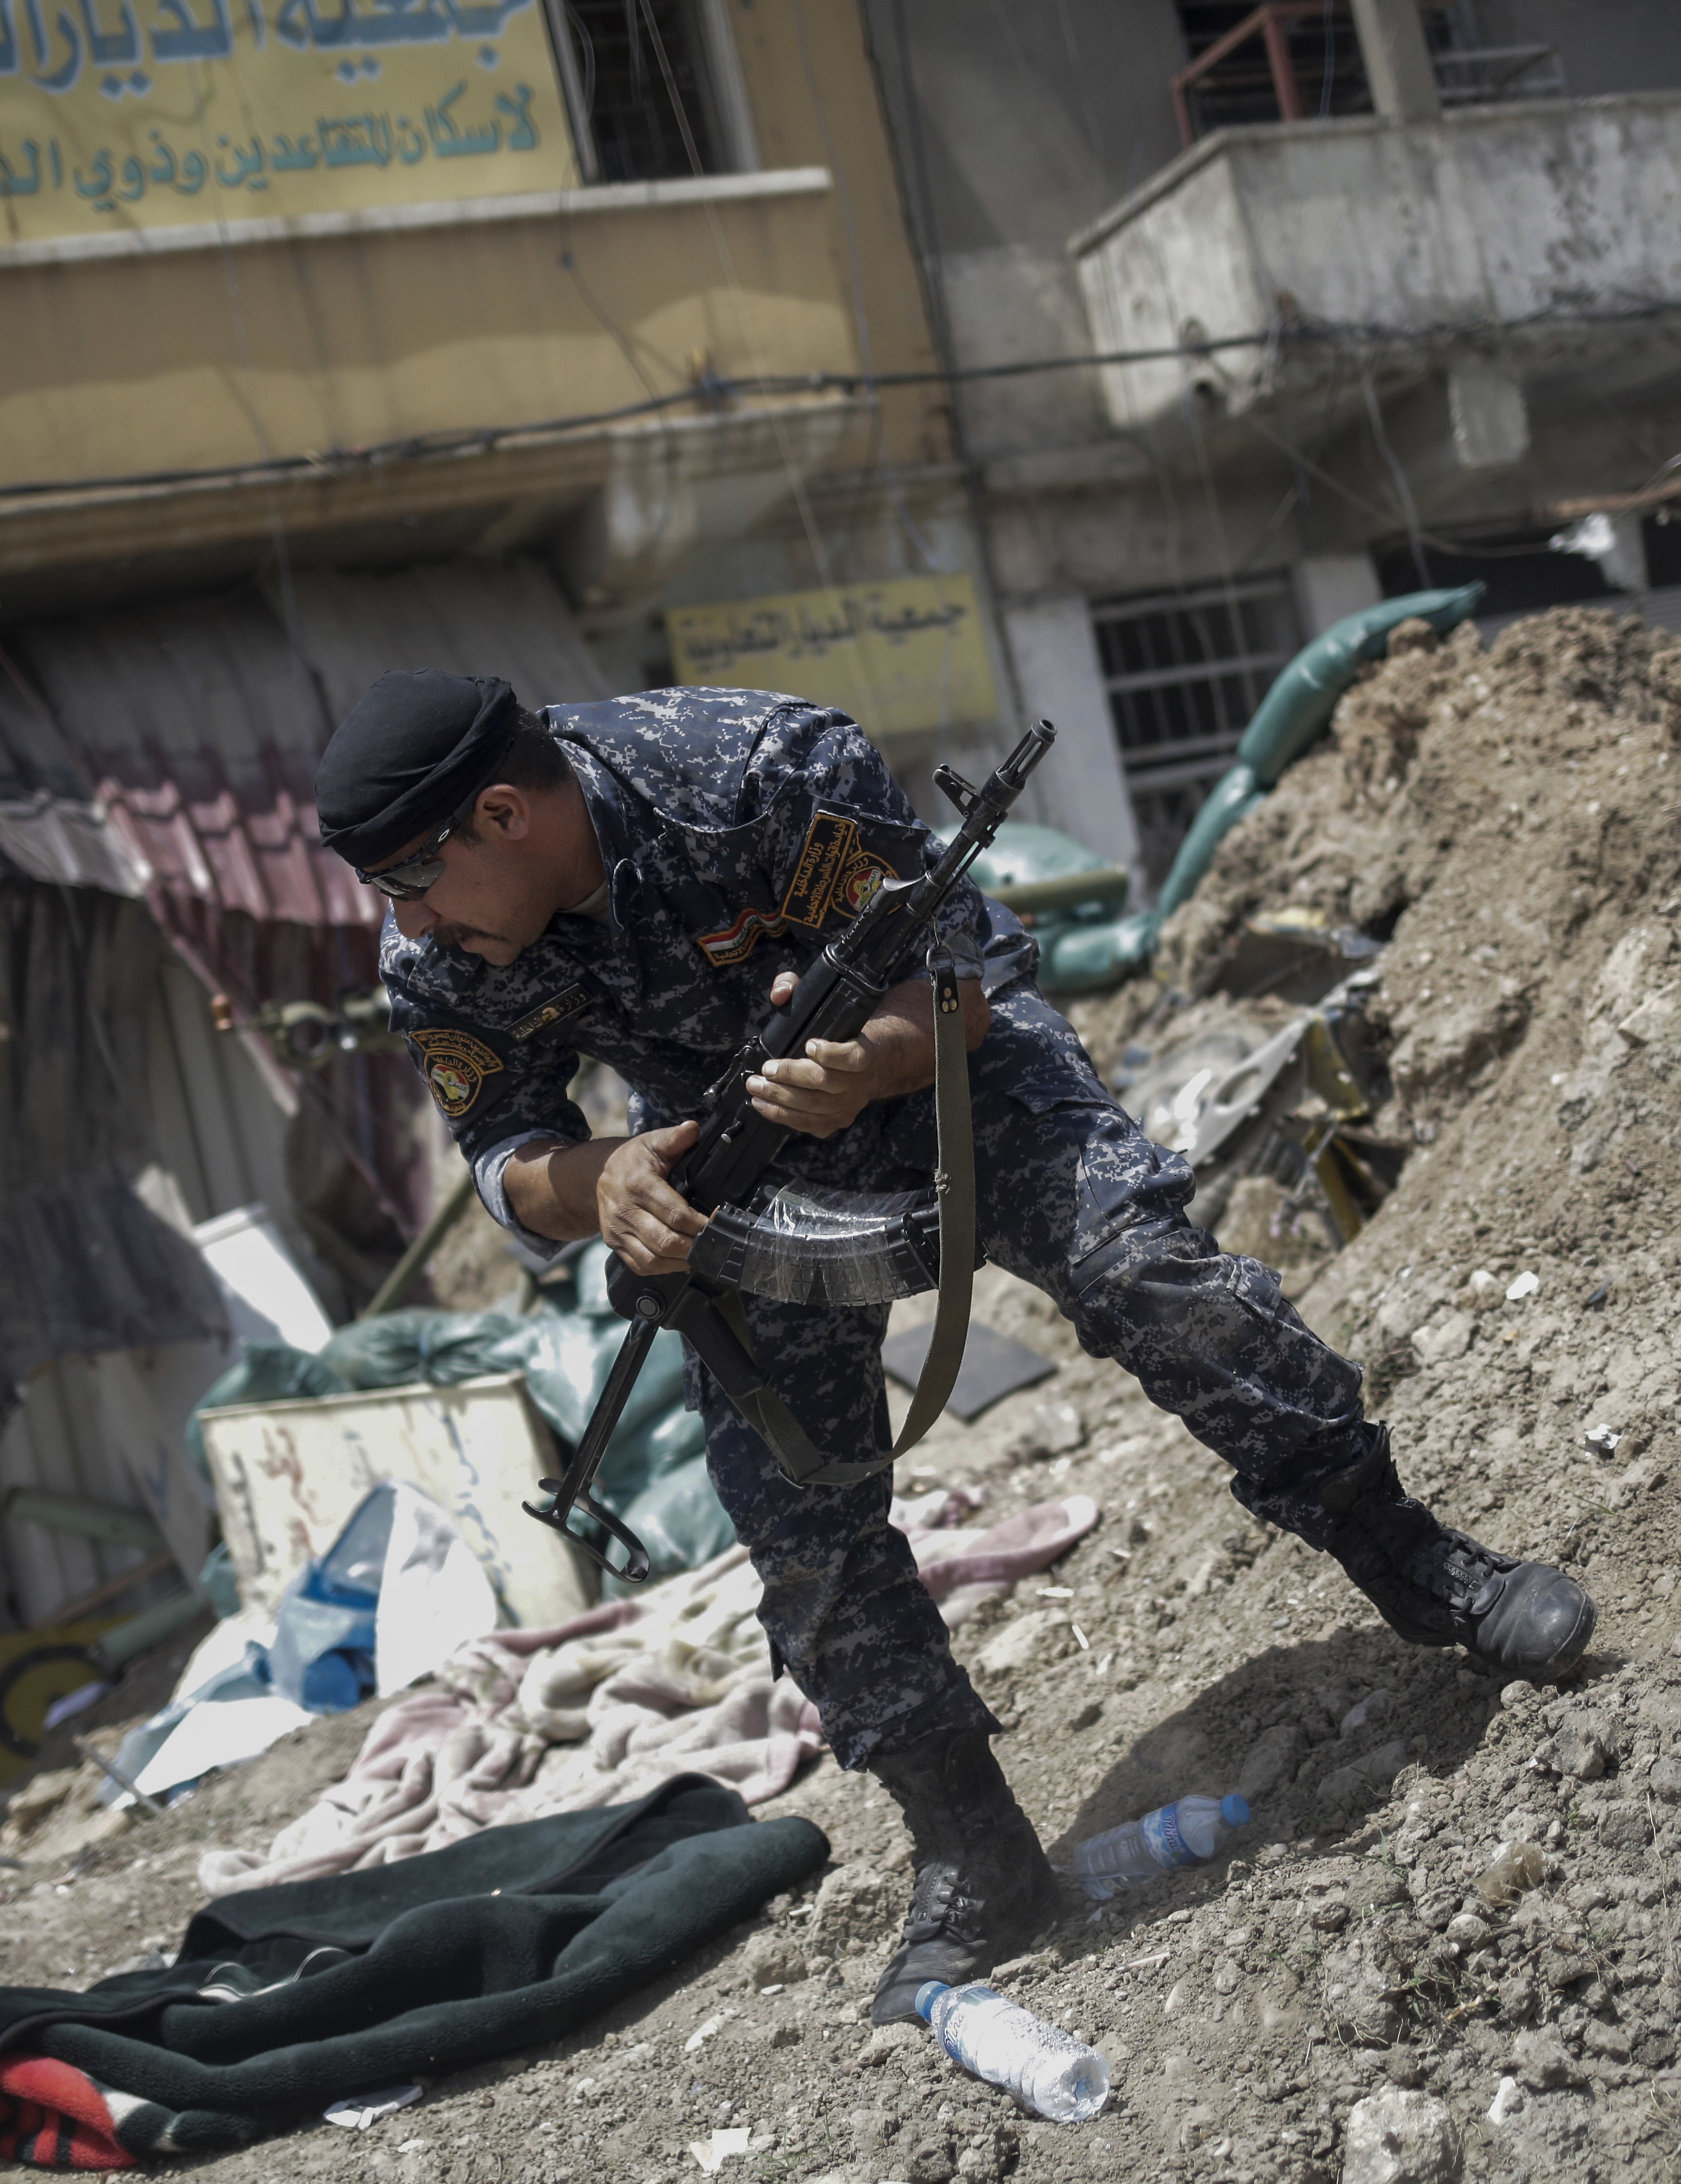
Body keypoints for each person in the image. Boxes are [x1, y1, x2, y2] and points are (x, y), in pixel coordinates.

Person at [318, 671, 1594, 2023]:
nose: (403, 920)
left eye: (411, 880)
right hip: (735, 1170)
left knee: (1156, 1276)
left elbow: (965, 984)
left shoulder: (758, 765)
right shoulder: (438, 953)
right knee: (798, 1531)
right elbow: (502, 1151)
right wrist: (602, 1179)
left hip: (944, 1074)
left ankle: (1417, 1562)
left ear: (501, 815)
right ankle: (974, 1853)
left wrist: (869, 1063)